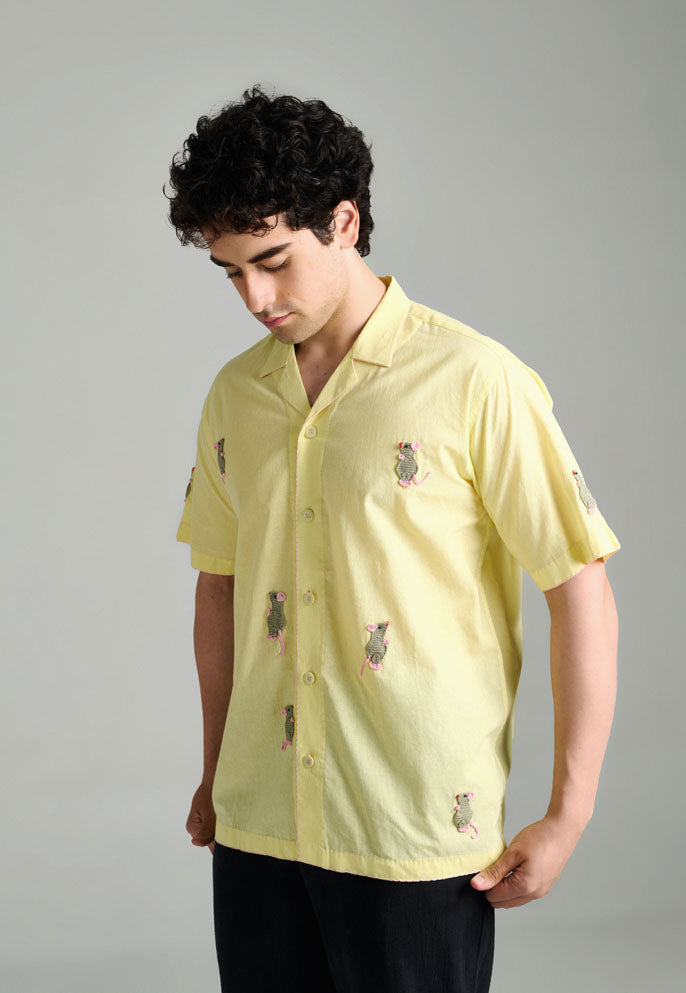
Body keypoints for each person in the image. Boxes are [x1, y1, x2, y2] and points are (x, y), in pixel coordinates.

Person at [165, 84, 621, 993]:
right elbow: (220, 586)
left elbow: (579, 589)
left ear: (344, 222)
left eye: (273, 261)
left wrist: (567, 814)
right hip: (259, 824)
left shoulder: (476, 379)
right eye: (231, 273)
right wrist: (216, 772)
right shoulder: (235, 395)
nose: (254, 297)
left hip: (413, 832)